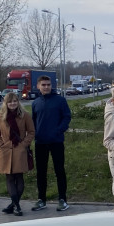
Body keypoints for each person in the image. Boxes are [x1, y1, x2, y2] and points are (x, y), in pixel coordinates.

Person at [31, 75, 72, 212]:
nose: (46, 87)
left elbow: (67, 117)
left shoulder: (60, 101)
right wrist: (35, 134)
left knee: (59, 171)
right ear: (38, 86)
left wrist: (59, 130)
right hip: (40, 142)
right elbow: (33, 121)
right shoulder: (35, 103)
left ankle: (62, 200)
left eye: (48, 84)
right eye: (43, 85)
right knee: (41, 172)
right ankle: (41, 200)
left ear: (52, 85)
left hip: (56, 141)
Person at [0, 92, 36, 216]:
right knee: (9, 178)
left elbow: (31, 132)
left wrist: (24, 144)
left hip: (20, 150)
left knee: (19, 177)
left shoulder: (25, 115)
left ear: (18, 102)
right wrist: (1, 144)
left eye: (15, 101)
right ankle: (16, 205)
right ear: (6, 103)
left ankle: (15, 205)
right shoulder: (1, 116)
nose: (12, 103)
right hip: (6, 150)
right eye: (10, 101)